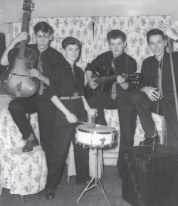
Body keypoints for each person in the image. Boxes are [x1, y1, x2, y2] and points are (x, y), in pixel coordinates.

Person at [0, 22, 65, 164]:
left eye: (45, 36)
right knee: (14, 105)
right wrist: (15, 40)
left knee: (47, 140)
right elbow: (4, 61)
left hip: (47, 98)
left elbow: (58, 85)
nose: (42, 40)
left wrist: (41, 76)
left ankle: (48, 178)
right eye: (39, 36)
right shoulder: (27, 49)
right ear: (35, 36)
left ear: (51, 36)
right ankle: (29, 136)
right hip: (30, 96)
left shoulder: (56, 57)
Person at [132, 24, 178, 151]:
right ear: (149, 45)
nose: (156, 46)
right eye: (152, 43)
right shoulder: (147, 63)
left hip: (174, 100)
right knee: (136, 96)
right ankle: (151, 134)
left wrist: (176, 37)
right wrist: (145, 88)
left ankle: (173, 168)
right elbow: (140, 83)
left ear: (165, 42)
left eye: (159, 42)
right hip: (156, 100)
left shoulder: (176, 58)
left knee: (174, 144)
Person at [45, 37, 97, 199]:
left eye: (76, 50)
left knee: (81, 147)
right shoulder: (56, 69)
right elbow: (52, 96)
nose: (74, 53)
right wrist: (67, 113)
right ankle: (50, 187)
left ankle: (82, 178)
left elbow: (81, 94)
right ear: (64, 50)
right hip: (63, 110)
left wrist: (88, 109)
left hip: (80, 109)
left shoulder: (80, 71)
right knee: (59, 152)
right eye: (70, 49)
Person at [85, 29, 138, 178]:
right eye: (113, 44)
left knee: (127, 132)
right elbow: (89, 68)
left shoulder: (130, 62)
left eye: (119, 44)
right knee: (91, 100)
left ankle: (123, 167)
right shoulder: (104, 57)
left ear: (125, 44)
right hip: (107, 97)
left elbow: (131, 85)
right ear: (109, 45)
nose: (116, 47)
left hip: (124, 97)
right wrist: (90, 80)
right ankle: (103, 126)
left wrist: (122, 82)